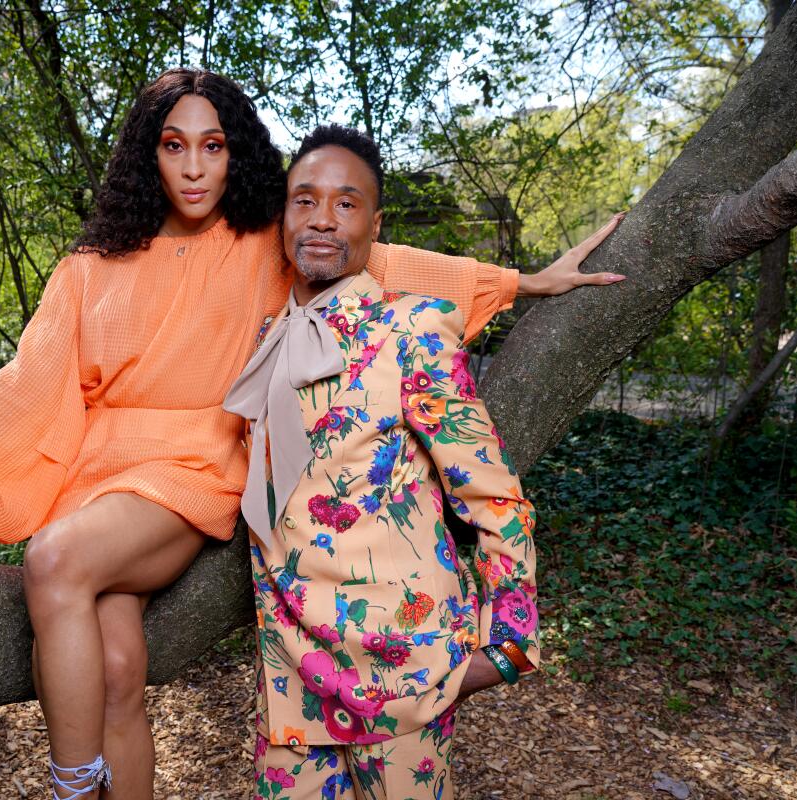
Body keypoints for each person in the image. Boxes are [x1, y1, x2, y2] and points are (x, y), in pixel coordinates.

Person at [0, 69, 624, 799]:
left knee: (52, 559)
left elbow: (376, 254)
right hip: (95, 477)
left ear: (235, 156)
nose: (194, 167)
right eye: (174, 146)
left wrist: (526, 281)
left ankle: (68, 785)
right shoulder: (87, 268)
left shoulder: (262, 242)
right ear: (147, 157)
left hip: (194, 465)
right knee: (120, 672)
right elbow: (26, 383)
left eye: (213, 146)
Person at [224, 125, 592, 798]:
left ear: (375, 225)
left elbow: (495, 499)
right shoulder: (262, 339)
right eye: (304, 200)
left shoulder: (412, 331)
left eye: (346, 202)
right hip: (290, 678)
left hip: (406, 674)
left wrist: (505, 653)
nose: (322, 219)